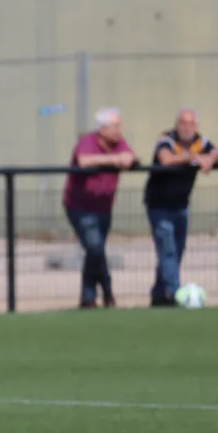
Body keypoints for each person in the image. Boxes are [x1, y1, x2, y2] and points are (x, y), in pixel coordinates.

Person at [144, 108, 218, 307]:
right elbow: (166, 159)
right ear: (176, 125)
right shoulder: (166, 140)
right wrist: (193, 158)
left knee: (176, 250)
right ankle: (175, 294)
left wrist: (211, 158)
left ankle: (158, 294)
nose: (186, 128)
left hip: (181, 206)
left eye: (190, 123)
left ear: (196, 126)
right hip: (159, 205)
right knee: (168, 249)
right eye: (182, 123)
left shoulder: (201, 142)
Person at [63, 107, 139, 309]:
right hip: (80, 206)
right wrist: (113, 160)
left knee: (94, 252)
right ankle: (107, 291)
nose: (119, 130)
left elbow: (131, 157)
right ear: (102, 129)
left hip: (104, 207)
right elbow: (84, 160)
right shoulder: (87, 142)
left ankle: (88, 298)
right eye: (115, 126)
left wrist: (129, 159)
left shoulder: (119, 143)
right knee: (95, 247)